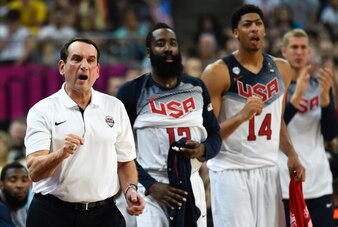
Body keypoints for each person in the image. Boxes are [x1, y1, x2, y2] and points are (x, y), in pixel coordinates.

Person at [200, 4, 306, 227]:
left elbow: (277, 121)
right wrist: (241, 116)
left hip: (268, 169)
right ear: (235, 33)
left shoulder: (282, 70)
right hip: (231, 171)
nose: (254, 29)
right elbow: (208, 136)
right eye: (247, 25)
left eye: (258, 24)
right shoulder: (217, 72)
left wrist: (291, 153)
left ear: (265, 30)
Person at [24, 37, 145, 227]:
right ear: (62, 67)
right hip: (52, 214)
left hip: (104, 214)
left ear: (97, 70)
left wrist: (130, 189)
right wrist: (61, 154)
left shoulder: (115, 107)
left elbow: (125, 162)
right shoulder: (42, 111)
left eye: (90, 60)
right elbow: (34, 171)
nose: (84, 66)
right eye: (77, 58)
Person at [116, 22, 222, 227]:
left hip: (191, 182)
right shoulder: (131, 92)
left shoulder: (197, 87)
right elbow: (118, 149)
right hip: (150, 187)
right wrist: (150, 184)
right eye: (160, 44)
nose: (168, 48)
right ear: (149, 52)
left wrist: (203, 149)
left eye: (173, 43)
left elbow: (215, 135)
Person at [279, 28, 338, 227]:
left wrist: (325, 100)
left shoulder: (320, 85)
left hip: (319, 179)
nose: (299, 52)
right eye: (294, 47)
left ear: (309, 53)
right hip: (284, 179)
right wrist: (295, 100)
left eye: (303, 47)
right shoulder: (276, 87)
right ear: (284, 51)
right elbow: (275, 129)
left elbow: (330, 133)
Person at [0, 162, 31, 227]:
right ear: (1, 185)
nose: (20, 185)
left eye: (24, 180)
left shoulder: (25, 207)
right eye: (13, 180)